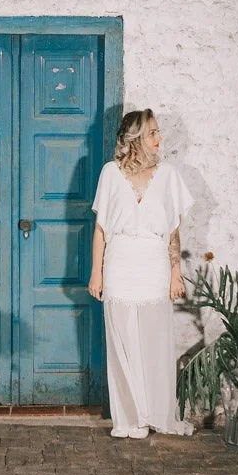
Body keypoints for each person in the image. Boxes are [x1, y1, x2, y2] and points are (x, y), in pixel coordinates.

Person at [88, 110, 194, 439]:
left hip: (153, 264)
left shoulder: (168, 176)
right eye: (152, 133)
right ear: (135, 138)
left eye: (158, 132)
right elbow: (101, 229)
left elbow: (174, 232)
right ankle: (129, 418)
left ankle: (153, 415)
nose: (159, 139)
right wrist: (97, 272)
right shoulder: (110, 174)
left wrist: (176, 274)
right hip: (119, 264)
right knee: (122, 345)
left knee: (153, 345)